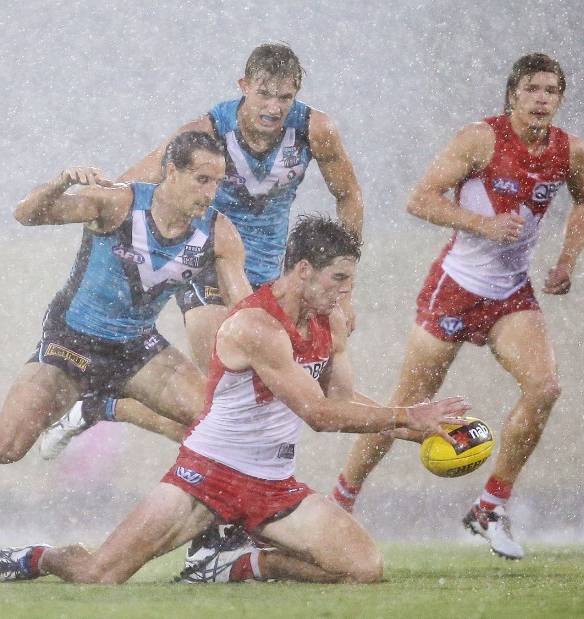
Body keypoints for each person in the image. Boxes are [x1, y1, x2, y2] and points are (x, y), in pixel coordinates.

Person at [0, 213, 472, 585]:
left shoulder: (331, 319)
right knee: (100, 575)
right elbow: (319, 415)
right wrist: (409, 414)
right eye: (338, 279)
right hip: (207, 476)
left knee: (364, 570)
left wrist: (417, 429)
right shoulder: (255, 326)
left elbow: (343, 399)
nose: (345, 293)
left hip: (273, 486)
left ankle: (240, 563)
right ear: (300, 270)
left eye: (350, 280)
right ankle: (39, 558)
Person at [0, 130, 252, 510]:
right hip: (72, 342)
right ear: (171, 172)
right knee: (5, 448)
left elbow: (247, 310)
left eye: (217, 182)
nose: (210, 193)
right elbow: (26, 214)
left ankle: (215, 527)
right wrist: (61, 181)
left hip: (137, 348)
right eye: (202, 180)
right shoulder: (118, 204)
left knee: (217, 427)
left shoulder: (219, 233)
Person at [36, 40, 365, 462]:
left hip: (271, 273)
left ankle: (103, 407)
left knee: (280, 398)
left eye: (285, 97)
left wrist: (346, 289)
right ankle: (216, 511)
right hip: (207, 266)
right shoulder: (208, 131)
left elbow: (349, 197)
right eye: (263, 94)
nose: (273, 107)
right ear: (243, 86)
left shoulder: (316, 131)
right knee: (220, 405)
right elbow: (138, 179)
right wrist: (93, 199)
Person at [330, 52, 584, 560]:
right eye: (532, 90)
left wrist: (566, 261)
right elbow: (420, 199)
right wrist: (482, 225)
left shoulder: (569, 150)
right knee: (403, 410)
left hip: (511, 293)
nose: (542, 99)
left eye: (551, 91)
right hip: (455, 288)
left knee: (544, 387)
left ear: (560, 98)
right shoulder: (481, 138)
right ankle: (340, 501)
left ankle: (490, 507)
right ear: (512, 95)